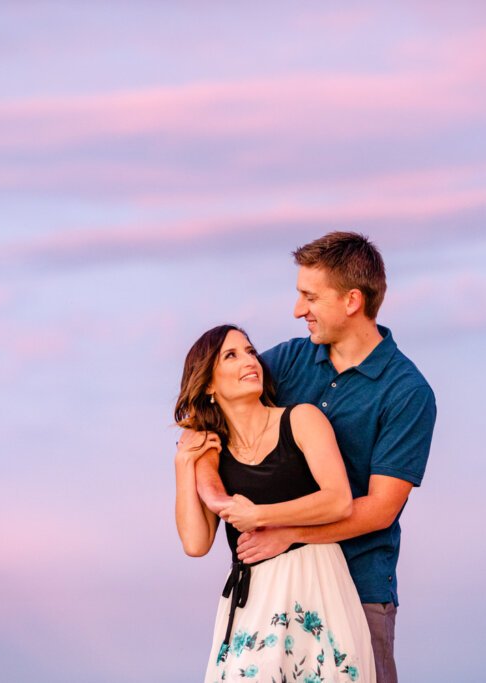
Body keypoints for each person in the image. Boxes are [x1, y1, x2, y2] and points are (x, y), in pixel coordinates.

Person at [195, 232, 437, 683]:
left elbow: (381, 509)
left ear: (351, 301)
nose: (297, 310)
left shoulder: (407, 392)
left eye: (309, 296)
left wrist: (288, 533)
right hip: (274, 593)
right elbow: (210, 416)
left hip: (360, 589)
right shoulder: (288, 360)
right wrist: (212, 494)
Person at [174, 324, 376, 683]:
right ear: (208, 384)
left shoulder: (300, 419)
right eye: (231, 355)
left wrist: (260, 516)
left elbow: (338, 500)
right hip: (255, 595)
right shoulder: (211, 452)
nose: (250, 360)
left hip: (315, 582)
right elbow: (195, 543)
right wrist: (183, 463)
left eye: (250, 351)